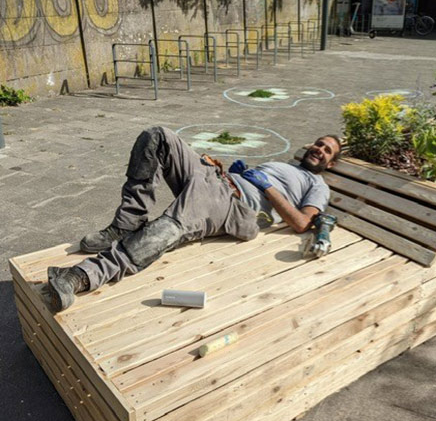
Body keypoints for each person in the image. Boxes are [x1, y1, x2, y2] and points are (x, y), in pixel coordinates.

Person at [46, 126, 341, 312]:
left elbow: (302, 223)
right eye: (318, 143)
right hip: (217, 179)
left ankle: (80, 277)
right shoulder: (285, 163)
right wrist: (233, 170)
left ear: (331, 163)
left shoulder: (318, 186)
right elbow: (251, 177)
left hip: (234, 206)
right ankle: (127, 223)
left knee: (170, 226)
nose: (319, 149)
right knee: (158, 136)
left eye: (327, 150)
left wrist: (267, 185)